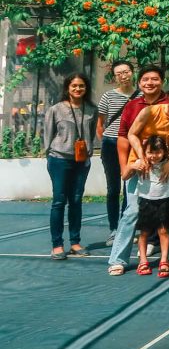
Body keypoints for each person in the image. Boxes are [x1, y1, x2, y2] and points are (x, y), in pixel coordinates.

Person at [107, 65, 169, 275]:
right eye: (145, 79)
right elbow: (123, 137)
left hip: (164, 169)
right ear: (139, 82)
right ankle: (118, 259)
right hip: (138, 168)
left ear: (162, 81)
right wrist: (125, 166)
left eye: (154, 79)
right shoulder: (132, 105)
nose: (150, 83)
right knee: (132, 211)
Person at [44, 73, 98, 260]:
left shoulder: (91, 109)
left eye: (81, 86)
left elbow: (91, 134)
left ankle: (75, 242)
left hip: (81, 161)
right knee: (59, 201)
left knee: (76, 201)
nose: (77, 89)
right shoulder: (56, 109)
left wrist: (88, 154)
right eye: (74, 86)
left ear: (86, 88)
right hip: (59, 159)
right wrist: (49, 156)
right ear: (67, 88)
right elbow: (48, 135)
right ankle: (57, 244)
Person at [129, 136, 169, 278]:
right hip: (146, 202)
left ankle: (164, 260)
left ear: (164, 152)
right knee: (144, 233)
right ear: (144, 152)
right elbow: (124, 175)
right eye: (150, 152)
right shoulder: (141, 163)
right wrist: (131, 166)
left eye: (158, 152)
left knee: (163, 231)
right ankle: (143, 261)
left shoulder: (168, 164)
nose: (154, 156)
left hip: (164, 201)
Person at [96, 60, 138, 245]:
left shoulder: (141, 95)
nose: (123, 76)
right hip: (111, 144)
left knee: (130, 188)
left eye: (126, 71)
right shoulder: (108, 96)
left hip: (132, 144)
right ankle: (114, 229)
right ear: (115, 77)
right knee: (113, 188)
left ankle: (126, 226)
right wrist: (106, 140)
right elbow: (100, 124)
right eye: (119, 73)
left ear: (132, 72)